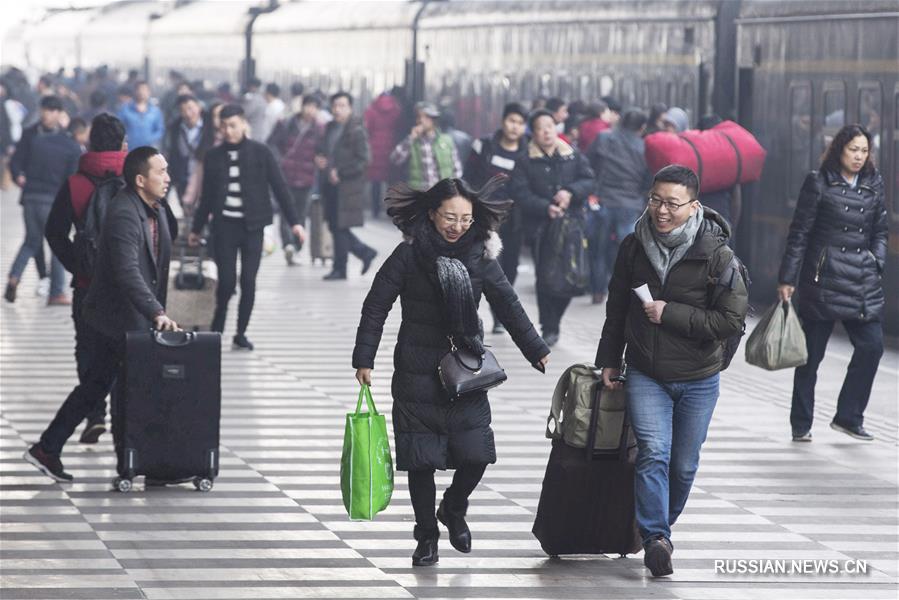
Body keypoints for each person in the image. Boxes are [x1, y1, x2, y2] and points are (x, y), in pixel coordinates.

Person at [352, 177, 550, 567]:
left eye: (465, 218)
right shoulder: (408, 254)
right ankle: (426, 536)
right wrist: (364, 358)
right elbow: (376, 304)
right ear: (432, 214)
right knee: (421, 460)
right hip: (417, 372)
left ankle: (454, 507)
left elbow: (507, 302)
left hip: (465, 371)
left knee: (477, 454)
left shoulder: (479, 254)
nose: (457, 226)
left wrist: (535, 348)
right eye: (449, 217)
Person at [595, 165, 748, 577]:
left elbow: (731, 320)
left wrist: (671, 313)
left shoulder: (717, 254)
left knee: (683, 466)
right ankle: (656, 538)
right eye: (655, 201)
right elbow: (617, 306)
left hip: (699, 377)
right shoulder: (634, 246)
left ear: (693, 206)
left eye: (672, 204)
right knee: (653, 453)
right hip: (646, 371)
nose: (662, 211)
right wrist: (609, 358)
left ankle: (659, 526)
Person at [24, 146, 180, 482]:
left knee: (96, 386)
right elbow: (127, 271)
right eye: (161, 172)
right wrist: (155, 310)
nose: (168, 178)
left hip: (128, 316)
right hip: (115, 319)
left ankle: (48, 448)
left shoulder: (156, 207)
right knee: (125, 388)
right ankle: (131, 465)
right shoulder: (124, 213)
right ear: (140, 179)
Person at [777, 124, 887, 442]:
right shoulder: (818, 182)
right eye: (853, 150)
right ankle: (801, 423)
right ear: (839, 149)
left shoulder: (873, 183)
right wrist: (787, 278)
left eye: (864, 151)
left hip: (861, 278)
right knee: (810, 357)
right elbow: (800, 233)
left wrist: (876, 261)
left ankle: (849, 416)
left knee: (872, 346)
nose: (859, 156)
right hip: (823, 280)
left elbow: (880, 229)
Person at [189, 104, 305, 350]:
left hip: (253, 227)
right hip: (224, 227)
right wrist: (196, 229)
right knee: (227, 282)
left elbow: (280, 188)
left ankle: (240, 333)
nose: (228, 131)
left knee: (248, 281)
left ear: (243, 124)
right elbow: (206, 197)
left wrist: (295, 222)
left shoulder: (261, 152)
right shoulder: (213, 156)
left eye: (233, 125)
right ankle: (217, 328)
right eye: (224, 126)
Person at [45, 113, 128, 445]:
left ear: (89, 144)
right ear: (123, 144)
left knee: (87, 348)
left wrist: (76, 265)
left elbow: (54, 232)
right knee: (124, 349)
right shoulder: (136, 180)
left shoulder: (75, 184)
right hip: (126, 285)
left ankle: (95, 414)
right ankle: (124, 420)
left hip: (87, 283)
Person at [509, 109, 595, 347]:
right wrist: (545, 207)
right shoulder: (525, 160)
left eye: (549, 126)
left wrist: (570, 192)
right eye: (540, 128)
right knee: (545, 277)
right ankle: (549, 326)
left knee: (570, 275)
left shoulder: (572, 155)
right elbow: (519, 192)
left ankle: (555, 319)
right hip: (541, 228)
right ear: (533, 133)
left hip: (571, 225)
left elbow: (589, 180)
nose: (546, 131)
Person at [5, 96, 81, 306]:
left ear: (59, 114)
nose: (46, 115)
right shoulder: (68, 144)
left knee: (31, 241)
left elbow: (16, 161)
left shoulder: (34, 139)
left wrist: (21, 177)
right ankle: (56, 292)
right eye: (45, 110)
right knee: (57, 243)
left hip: (30, 197)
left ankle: (14, 277)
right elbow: (72, 178)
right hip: (52, 200)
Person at [463, 102, 528, 333]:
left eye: (520, 123)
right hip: (484, 215)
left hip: (514, 217)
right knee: (486, 263)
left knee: (510, 265)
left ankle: (500, 312)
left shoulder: (528, 150)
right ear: (502, 121)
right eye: (512, 121)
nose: (515, 126)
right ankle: (487, 313)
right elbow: (468, 176)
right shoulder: (484, 145)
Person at [587, 109, 653, 303]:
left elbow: (588, 164)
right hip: (630, 205)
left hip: (603, 201)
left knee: (598, 249)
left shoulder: (603, 138)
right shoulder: (644, 147)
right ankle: (627, 293)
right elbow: (648, 179)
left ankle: (598, 291)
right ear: (642, 127)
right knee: (629, 253)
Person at [314, 92, 377, 281]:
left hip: (347, 188)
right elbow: (323, 150)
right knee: (335, 226)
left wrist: (341, 172)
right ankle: (364, 253)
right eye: (335, 106)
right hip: (330, 185)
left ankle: (341, 268)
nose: (337, 110)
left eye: (342, 106)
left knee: (339, 226)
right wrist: (319, 159)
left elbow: (364, 160)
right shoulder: (330, 127)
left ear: (350, 108)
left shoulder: (356, 130)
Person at [267, 94, 323, 264]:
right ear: (302, 106)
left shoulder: (319, 129)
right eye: (308, 106)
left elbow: (323, 151)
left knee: (301, 214)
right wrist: (279, 162)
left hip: (307, 178)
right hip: (286, 176)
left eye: (314, 107)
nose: (311, 110)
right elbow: (271, 144)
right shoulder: (286, 124)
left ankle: (297, 247)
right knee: (285, 212)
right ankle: (288, 245)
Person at [390, 101, 461, 190]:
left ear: (433, 119)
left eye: (426, 117)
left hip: (443, 194)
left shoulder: (447, 141)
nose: (421, 120)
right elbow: (395, 159)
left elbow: (457, 170)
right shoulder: (412, 142)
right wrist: (411, 138)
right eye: (419, 117)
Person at [696, 114, 742, 235]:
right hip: (722, 225)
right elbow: (736, 201)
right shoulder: (729, 160)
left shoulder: (693, 160)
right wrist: (731, 227)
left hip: (697, 228)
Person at [163, 94, 215, 202]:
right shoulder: (175, 128)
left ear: (199, 107)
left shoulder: (211, 125)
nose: (188, 113)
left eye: (190, 108)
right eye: (183, 110)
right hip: (183, 178)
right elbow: (171, 154)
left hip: (206, 177)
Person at [364, 88, 403, 218]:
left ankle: (375, 210)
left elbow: (367, 129)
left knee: (375, 181)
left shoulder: (371, 109)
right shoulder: (396, 109)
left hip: (375, 149)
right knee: (391, 181)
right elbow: (399, 128)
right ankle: (391, 209)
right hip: (391, 147)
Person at [117, 81, 164, 149]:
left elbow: (160, 130)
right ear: (135, 91)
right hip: (130, 149)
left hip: (148, 149)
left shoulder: (155, 111)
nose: (141, 92)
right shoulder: (125, 109)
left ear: (149, 92)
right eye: (139, 89)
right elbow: (118, 127)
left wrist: (150, 139)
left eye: (144, 90)